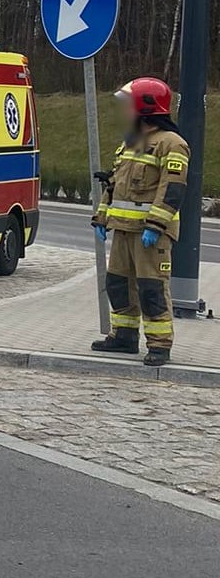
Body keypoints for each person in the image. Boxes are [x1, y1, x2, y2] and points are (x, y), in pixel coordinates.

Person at [90, 77, 189, 366]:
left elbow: (172, 190)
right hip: (123, 230)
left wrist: (155, 226)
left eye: (129, 105)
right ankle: (124, 336)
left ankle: (159, 345)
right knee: (118, 284)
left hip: (150, 234)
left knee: (151, 288)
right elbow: (115, 184)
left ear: (146, 107)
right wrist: (101, 217)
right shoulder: (132, 142)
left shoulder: (172, 144)